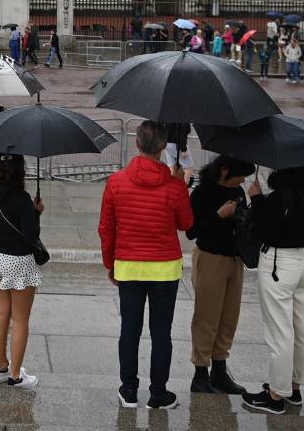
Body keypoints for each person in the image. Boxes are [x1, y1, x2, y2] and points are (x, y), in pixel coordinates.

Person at [99, 120, 193, 410]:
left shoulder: (116, 182)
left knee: (130, 330)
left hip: (128, 264)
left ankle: (128, 389)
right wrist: (180, 185)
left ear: (137, 144)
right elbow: (186, 224)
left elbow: (106, 228)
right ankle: (158, 393)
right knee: (161, 332)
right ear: (164, 147)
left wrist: (110, 264)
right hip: (164, 268)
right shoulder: (174, 185)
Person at [243, 164, 304, 415]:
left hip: (279, 263)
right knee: (301, 327)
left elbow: (266, 230)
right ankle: (294, 386)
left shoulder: (281, 197)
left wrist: (256, 199)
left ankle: (276, 394)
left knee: (279, 331)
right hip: (302, 264)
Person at [188, 154, 256, 395]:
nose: (242, 183)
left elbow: (247, 224)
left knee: (229, 317)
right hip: (210, 258)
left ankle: (219, 370)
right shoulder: (202, 193)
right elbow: (191, 230)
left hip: (235, 259)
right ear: (225, 171)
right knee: (207, 317)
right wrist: (219, 216)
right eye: (239, 177)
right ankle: (200, 373)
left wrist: (253, 206)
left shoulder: (237, 192)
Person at [0, 153, 43, 390]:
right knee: (21, 318)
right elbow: (31, 236)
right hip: (18, 260)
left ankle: (0, 366)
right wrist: (36, 213)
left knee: (1, 312)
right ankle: (16, 375)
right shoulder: (22, 199)